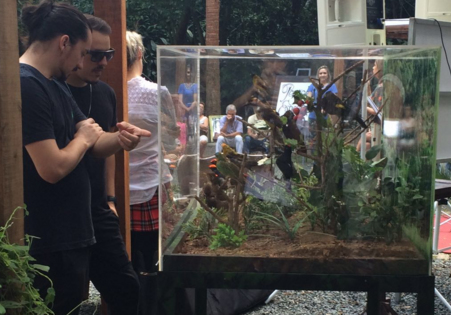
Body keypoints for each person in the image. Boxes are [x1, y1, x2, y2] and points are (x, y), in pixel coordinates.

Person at [19, 2, 149, 314]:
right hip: (51, 233)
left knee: (123, 289)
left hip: (77, 226)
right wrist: (82, 138)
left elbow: (92, 138)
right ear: (64, 42)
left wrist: (118, 139)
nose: (81, 63)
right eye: (84, 52)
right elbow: (52, 167)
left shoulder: (53, 83)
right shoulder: (27, 85)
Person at [65, 15, 139, 314]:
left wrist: (110, 198)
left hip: (97, 207)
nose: (103, 62)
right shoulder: (51, 90)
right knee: (68, 295)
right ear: (75, 50)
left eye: (109, 55)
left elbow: (105, 148)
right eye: (96, 55)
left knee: (126, 286)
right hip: (63, 212)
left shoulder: (106, 92)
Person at [126, 30, 173, 299]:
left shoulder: (106, 90)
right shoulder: (157, 92)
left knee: (127, 255)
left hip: (119, 190)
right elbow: (172, 137)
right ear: (141, 55)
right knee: (158, 255)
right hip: (153, 185)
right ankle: (160, 303)